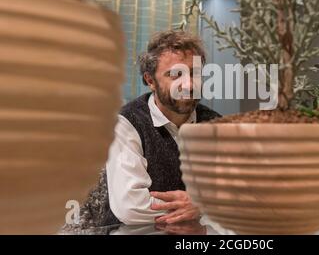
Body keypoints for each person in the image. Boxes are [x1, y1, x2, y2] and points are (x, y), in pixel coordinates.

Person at [65, 30, 221, 230]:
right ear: (150, 81)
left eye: (195, 73)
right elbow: (130, 206)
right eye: (175, 75)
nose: (189, 84)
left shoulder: (215, 124)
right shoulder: (126, 123)